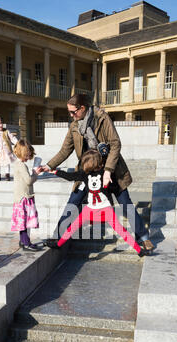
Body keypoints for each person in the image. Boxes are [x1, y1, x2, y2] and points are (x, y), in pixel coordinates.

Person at [40, 93, 154, 254]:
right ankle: (58, 236)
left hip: (112, 170)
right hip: (87, 172)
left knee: (126, 204)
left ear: (83, 108)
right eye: (70, 112)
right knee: (73, 202)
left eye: (74, 112)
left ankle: (143, 237)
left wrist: (108, 171)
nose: (72, 115)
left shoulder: (101, 118)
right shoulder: (74, 125)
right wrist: (49, 165)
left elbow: (115, 144)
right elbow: (65, 150)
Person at [45, 149, 149, 257]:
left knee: (73, 227)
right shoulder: (96, 174)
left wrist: (56, 172)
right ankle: (139, 250)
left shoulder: (90, 174)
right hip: (98, 209)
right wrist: (56, 172)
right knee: (120, 230)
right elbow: (70, 176)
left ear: (88, 163)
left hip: (97, 210)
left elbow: (70, 176)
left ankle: (59, 244)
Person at [10, 139, 42, 252]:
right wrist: (35, 174)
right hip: (23, 198)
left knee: (23, 221)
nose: (29, 155)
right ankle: (26, 242)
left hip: (22, 197)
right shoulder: (21, 165)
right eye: (27, 153)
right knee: (24, 222)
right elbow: (29, 181)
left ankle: (23, 241)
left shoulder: (19, 164)